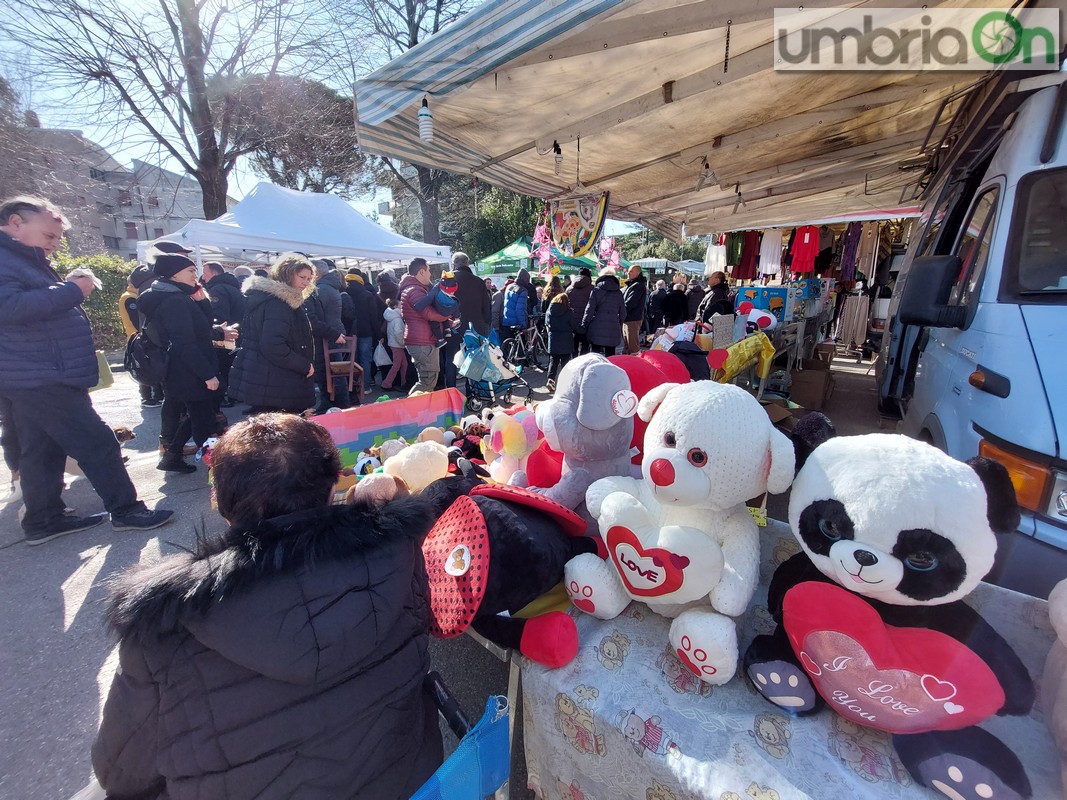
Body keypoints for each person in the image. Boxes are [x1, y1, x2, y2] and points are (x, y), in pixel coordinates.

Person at [92, 413, 443, 800]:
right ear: (332, 492)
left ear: (223, 510)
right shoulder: (395, 554)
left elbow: (119, 773)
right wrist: (380, 509)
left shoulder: (163, 626)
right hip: (406, 781)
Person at [0, 196, 173, 543]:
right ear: (16, 222)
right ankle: (126, 510)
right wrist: (71, 290)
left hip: (36, 373)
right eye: (49, 235)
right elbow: (10, 307)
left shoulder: (21, 259)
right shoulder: (7, 260)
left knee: (42, 449)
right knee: (98, 443)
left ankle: (43, 519)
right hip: (41, 374)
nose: (54, 244)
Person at [138, 254, 227, 473]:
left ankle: (172, 456)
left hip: (182, 369)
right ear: (174, 274)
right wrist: (207, 374)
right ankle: (215, 466)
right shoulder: (174, 301)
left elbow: (202, 328)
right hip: (188, 369)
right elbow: (185, 343)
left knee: (197, 414)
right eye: (190, 271)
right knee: (203, 420)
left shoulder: (176, 296)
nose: (195, 275)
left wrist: (202, 300)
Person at [229, 252, 316, 414]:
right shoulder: (279, 303)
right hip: (276, 380)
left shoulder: (270, 298)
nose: (305, 282)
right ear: (287, 274)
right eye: (302, 277)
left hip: (266, 378)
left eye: (308, 279)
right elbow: (273, 345)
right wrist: (304, 365)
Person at [304, 261, 350, 414]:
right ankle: (334, 403)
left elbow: (316, 316)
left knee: (335, 372)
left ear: (316, 273)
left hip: (330, 334)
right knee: (334, 370)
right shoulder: (329, 286)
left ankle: (339, 405)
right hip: (333, 332)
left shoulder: (321, 289)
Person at [400, 257, 451, 395]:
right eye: (428, 270)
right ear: (422, 271)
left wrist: (449, 322)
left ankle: (417, 411)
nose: (430, 274)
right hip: (422, 342)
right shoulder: (415, 290)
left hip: (421, 340)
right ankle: (411, 410)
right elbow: (429, 313)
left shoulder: (413, 289)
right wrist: (448, 315)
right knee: (427, 381)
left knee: (428, 379)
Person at [119, 265, 163, 408]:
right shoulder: (129, 298)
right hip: (136, 336)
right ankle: (147, 398)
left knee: (150, 365)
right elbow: (137, 320)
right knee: (144, 366)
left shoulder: (134, 296)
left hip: (139, 336)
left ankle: (155, 395)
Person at [202, 261, 244, 409]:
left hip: (226, 334)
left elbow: (219, 315)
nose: (202, 276)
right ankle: (234, 395)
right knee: (232, 365)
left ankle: (227, 396)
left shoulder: (218, 289)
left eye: (205, 272)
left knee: (224, 366)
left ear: (214, 273)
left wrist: (216, 330)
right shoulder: (232, 287)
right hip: (236, 332)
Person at [345, 268, 385, 395]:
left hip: (348, 333)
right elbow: (373, 317)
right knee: (365, 360)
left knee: (352, 360)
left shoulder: (343, 293)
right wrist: (378, 335)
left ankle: (352, 387)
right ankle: (365, 386)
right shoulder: (367, 294)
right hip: (365, 332)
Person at [581, 267, 626, 356]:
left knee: (595, 355)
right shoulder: (618, 293)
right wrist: (619, 324)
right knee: (611, 355)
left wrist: (585, 323)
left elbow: (589, 309)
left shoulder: (596, 290)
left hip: (596, 327)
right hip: (613, 327)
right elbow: (623, 313)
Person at [451, 251, 491, 336]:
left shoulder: (447, 281)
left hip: (453, 327)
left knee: (455, 349)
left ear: (453, 264)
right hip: (477, 328)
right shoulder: (479, 281)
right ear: (467, 263)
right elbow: (486, 306)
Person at [545, 292, 574, 393]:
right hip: (566, 341)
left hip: (553, 340)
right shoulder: (568, 312)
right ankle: (563, 382)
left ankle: (550, 380)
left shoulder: (549, 311)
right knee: (565, 363)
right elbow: (574, 325)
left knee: (553, 361)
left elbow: (547, 323)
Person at [380, 298, 408, 390]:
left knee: (403, 364)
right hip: (398, 345)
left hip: (393, 343)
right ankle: (387, 384)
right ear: (396, 306)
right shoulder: (397, 319)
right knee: (397, 365)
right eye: (400, 305)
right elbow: (398, 333)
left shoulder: (390, 317)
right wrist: (403, 343)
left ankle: (403, 383)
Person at [566, 266, 594, 355]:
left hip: (572, 320)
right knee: (585, 344)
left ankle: (573, 362)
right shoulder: (592, 288)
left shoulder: (569, 288)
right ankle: (582, 364)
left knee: (573, 344)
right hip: (586, 321)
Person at [501, 266, 534, 341]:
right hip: (516, 323)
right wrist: (524, 325)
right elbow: (520, 310)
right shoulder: (523, 291)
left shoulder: (509, 286)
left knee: (508, 349)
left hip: (506, 321)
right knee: (519, 349)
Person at [622, 264, 647, 354]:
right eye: (628, 271)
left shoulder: (638, 285)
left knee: (632, 346)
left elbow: (630, 303)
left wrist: (621, 311)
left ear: (638, 273)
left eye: (631, 271)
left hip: (632, 318)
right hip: (628, 318)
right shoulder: (633, 285)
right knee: (628, 345)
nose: (628, 273)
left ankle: (636, 364)